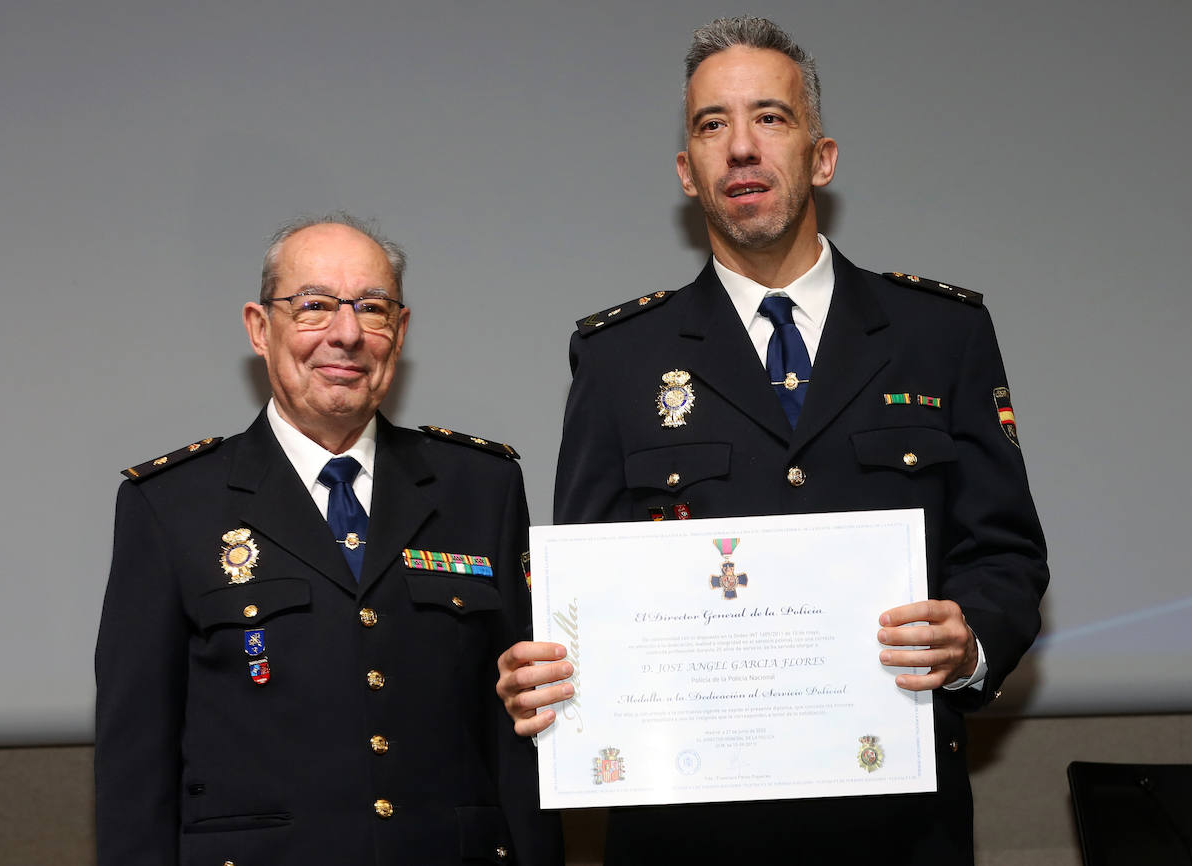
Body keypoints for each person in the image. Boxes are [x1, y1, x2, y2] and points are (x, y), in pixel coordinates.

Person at [496, 16, 1048, 864]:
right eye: (712, 125)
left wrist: (969, 640)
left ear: (821, 156)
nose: (741, 148)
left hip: (897, 827)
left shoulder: (942, 334)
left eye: (770, 118)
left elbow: (1006, 551)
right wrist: (549, 675)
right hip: (687, 834)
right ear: (688, 172)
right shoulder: (617, 359)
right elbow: (585, 588)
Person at [96, 213, 561, 865]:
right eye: (314, 306)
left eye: (371, 309)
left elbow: (521, 727)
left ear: (398, 333)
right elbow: (133, 763)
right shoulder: (171, 504)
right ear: (261, 329)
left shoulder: (480, 487)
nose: (346, 334)